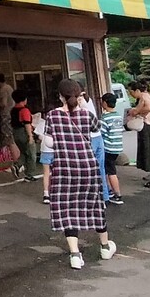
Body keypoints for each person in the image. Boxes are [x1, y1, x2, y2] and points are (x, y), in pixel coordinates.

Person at [44, 79, 115, 269]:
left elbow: (49, 143)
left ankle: (75, 255)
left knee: (67, 209)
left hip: (64, 168)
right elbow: (96, 131)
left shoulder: (52, 116)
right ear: (79, 95)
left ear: (60, 96)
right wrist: (84, 106)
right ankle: (105, 246)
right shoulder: (86, 115)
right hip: (87, 167)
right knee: (94, 205)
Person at [99, 92, 125, 204]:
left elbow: (101, 132)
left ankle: (117, 194)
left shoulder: (105, 117)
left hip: (108, 148)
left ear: (105, 103)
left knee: (110, 171)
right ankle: (109, 190)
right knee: (109, 169)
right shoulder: (118, 116)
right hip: (117, 147)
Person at [10, 89, 38, 182]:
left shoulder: (13, 110)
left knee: (23, 152)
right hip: (23, 133)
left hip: (15, 133)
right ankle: (29, 174)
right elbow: (27, 124)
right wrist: (30, 136)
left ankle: (17, 165)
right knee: (31, 154)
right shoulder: (24, 110)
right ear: (24, 99)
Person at [0, 72, 15, 143]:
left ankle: (10, 148)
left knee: (7, 135)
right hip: (12, 113)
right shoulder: (9, 87)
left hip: (6, 114)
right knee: (11, 134)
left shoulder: (3, 89)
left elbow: (4, 103)